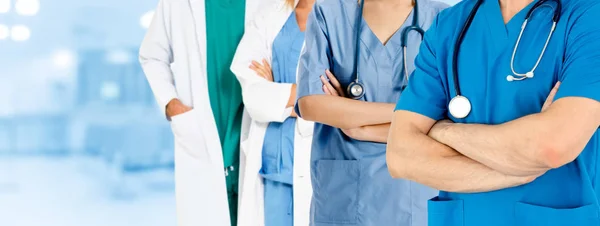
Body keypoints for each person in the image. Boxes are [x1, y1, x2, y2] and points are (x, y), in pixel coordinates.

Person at [388, 0, 600, 225]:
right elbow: (400, 156)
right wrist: (519, 171)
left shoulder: (588, 16)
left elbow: (553, 146)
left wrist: (443, 130)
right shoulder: (449, 25)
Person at [295, 0, 447, 225]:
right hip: (344, 200)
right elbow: (310, 104)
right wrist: (411, 111)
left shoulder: (443, 18)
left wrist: (356, 121)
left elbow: (450, 119)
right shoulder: (329, 12)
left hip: (416, 194)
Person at [139, 0, 262, 225]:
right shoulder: (176, 4)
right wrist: (170, 103)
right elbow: (152, 55)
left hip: (252, 128)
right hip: (200, 133)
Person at [231, 0, 315, 225]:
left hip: (322, 157)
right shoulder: (269, 14)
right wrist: (310, 102)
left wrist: (276, 88)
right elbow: (254, 96)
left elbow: (342, 97)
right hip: (274, 160)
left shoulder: (346, 15)